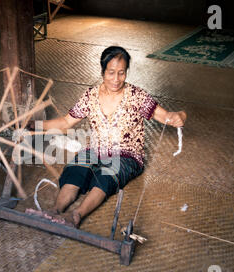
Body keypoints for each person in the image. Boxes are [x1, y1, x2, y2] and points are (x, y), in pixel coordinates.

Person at [35, 46, 186, 228]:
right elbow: (65, 123)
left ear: (126, 72)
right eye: (111, 72)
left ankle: (76, 215)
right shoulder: (90, 96)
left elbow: (166, 116)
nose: (116, 79)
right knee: (77, 169)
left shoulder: (136, 96)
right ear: (102, 71)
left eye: (121, 73)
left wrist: (180, 116)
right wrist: (35, 126)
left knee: (106, 174)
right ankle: (55, 210)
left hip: (127, 155)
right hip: (95, 149)